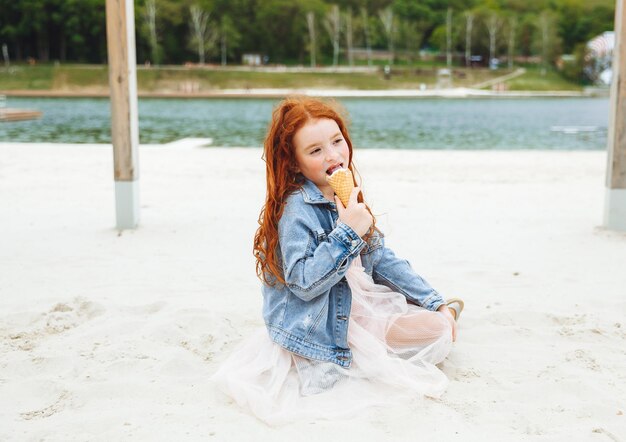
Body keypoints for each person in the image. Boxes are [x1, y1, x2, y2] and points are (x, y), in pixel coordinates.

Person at [211, 96, 464, 424]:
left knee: (436, 323)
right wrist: (347, 231)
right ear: (293, 162)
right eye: (315, 150)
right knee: (437, 333)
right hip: (322, 320)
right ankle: (424, 326)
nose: (332, 155)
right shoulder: (296, 210)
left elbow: (381, 259)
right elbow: (304, 283)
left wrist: (434, 300)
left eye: (337, 141)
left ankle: (446, 310)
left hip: (357, 303)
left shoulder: (343, 193)